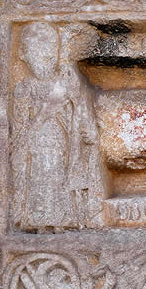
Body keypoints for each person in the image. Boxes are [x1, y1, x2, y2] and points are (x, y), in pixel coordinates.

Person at [11, 22, 103, 229]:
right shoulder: (24, 88)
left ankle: (66, 220)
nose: (46, 57)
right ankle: (35, 221)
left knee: (61, 181)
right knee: (41, 181)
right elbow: (18, 139)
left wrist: (75, 98)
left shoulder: (69, 84)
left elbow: (86, 129)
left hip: (64, 150)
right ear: (22, 53)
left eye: (50, 49)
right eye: (37, 49)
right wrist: (49, 108)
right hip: (36, 153)